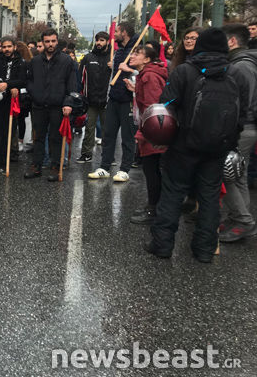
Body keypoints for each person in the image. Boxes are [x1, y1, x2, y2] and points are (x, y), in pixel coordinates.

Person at [147, 28, 249, 263]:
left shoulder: (185, 71)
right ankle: (204, 250)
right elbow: (241, 114)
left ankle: (162, 245)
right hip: (217, 149)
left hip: (183, 145)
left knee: (172, 194)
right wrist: (229, 143)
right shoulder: (235, 74)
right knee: (210, 198)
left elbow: (167, 105)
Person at [23, 29, 78, 181]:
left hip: (58, 106)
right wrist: (35, 94)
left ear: (57, 41)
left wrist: (68, 103)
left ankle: (55, 167)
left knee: (56, 138)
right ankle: (36, 165)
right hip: (39, 105)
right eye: (47, 41)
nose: (50, 44)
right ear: (43, 42)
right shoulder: (35, 61)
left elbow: (72, 84)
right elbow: (29, 81)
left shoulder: (66, 61)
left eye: (53, 41)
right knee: (38, 137)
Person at [219, 24, 257, 242]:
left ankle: (243, 220)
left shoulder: (241, 66)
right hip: (248, 126)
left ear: (232, 41)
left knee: (229, 172)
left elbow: (242, 102)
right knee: (238, 174)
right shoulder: (245, 62)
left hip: (243, 127)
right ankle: (239, 217)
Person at [88, 22, 137, 183]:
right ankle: (104, 167)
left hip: (128, 100)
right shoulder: (119, 51)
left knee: (127, 137)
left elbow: (143, 72)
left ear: (125, 33)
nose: (114, 34)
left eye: (116, 31)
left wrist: (130, 70)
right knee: (108, 135)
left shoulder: (135, 50)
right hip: (114, 99)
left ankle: (124, 169)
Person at [125, 45, 168, 225]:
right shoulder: (147, 75)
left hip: (154, 133)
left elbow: (154, 108)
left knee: (152, 171)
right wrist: (135, 89)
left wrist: (143, 132)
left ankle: (155, 209)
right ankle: (155, 206)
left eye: (137, 54)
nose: (132, 56)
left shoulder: (149, 76)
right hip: (154, 131)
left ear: (147, 60)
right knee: (153, 170)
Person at [0, 35, 29, 170]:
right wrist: (4, 84)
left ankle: (3, 162)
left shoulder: (21, 62)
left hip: (11, 102)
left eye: (9, 46)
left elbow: (23, 80)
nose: (6, 49)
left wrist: (9, 85)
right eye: (4, 47)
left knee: (7, 132)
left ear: (14, 47)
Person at [77, 31, 110, 163]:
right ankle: (86, 154)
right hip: (90, 100)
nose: (99, 43)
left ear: (107, 42)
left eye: (102, 40)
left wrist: (114, 67)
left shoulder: (113, 58)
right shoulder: (88, 58)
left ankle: (109, 156)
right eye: (97, 40)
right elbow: (80, 77)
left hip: (107, 101)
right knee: (89, 128)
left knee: (107, 130)